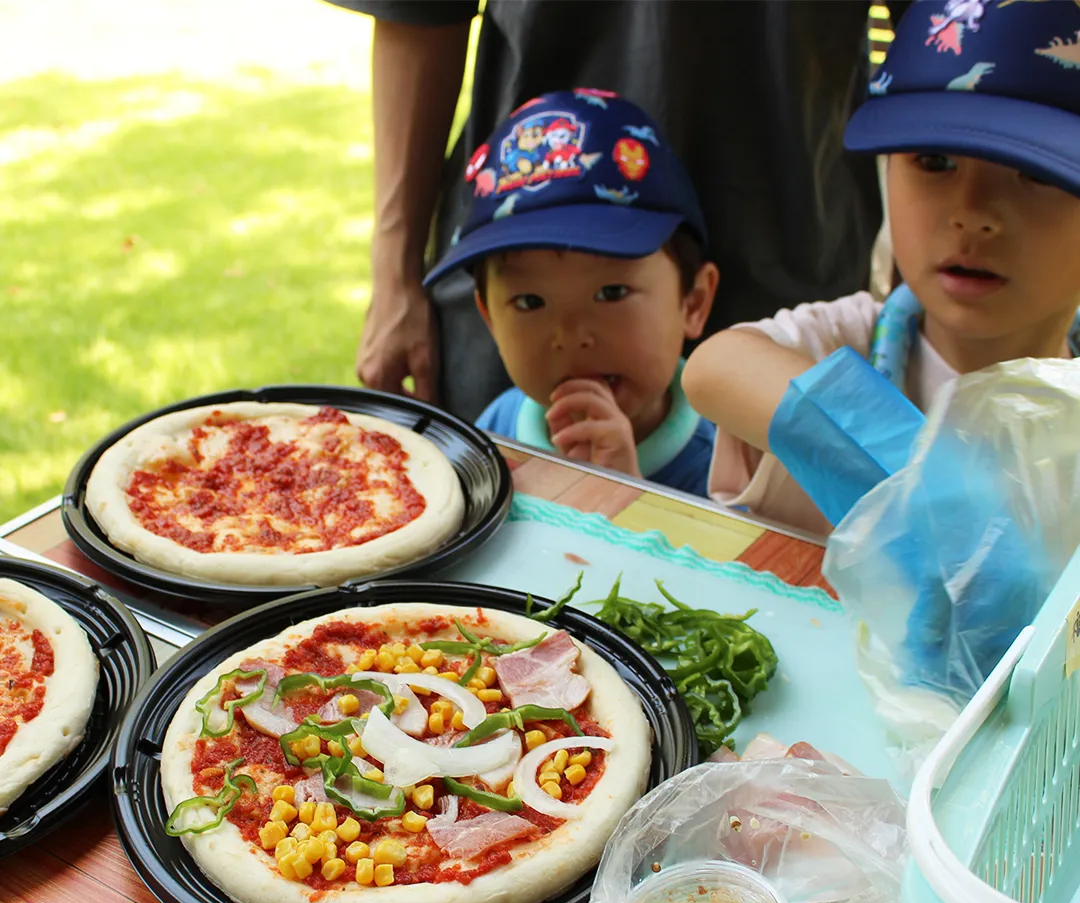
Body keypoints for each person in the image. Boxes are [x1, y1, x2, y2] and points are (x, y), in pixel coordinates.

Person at [327, 0, 902, 421]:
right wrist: (394, 271)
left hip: (790, 253)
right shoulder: (505, 416)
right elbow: (417, 11)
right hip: (511, 230)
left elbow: (943, 36)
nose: (574, 336)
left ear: (695, 299)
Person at [682, 0, 1080, 537]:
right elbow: (714, 367)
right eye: (935, 162)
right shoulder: (848, 342)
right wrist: (911, 467)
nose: (972, 214)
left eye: (1036, 172)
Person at [422, 91, 719, 496]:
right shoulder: (500, 427)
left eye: (611, 292)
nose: (571, 335)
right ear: (489, 317)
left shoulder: (729, 467)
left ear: (694, 301)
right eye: (530, 302)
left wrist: (626, 494)